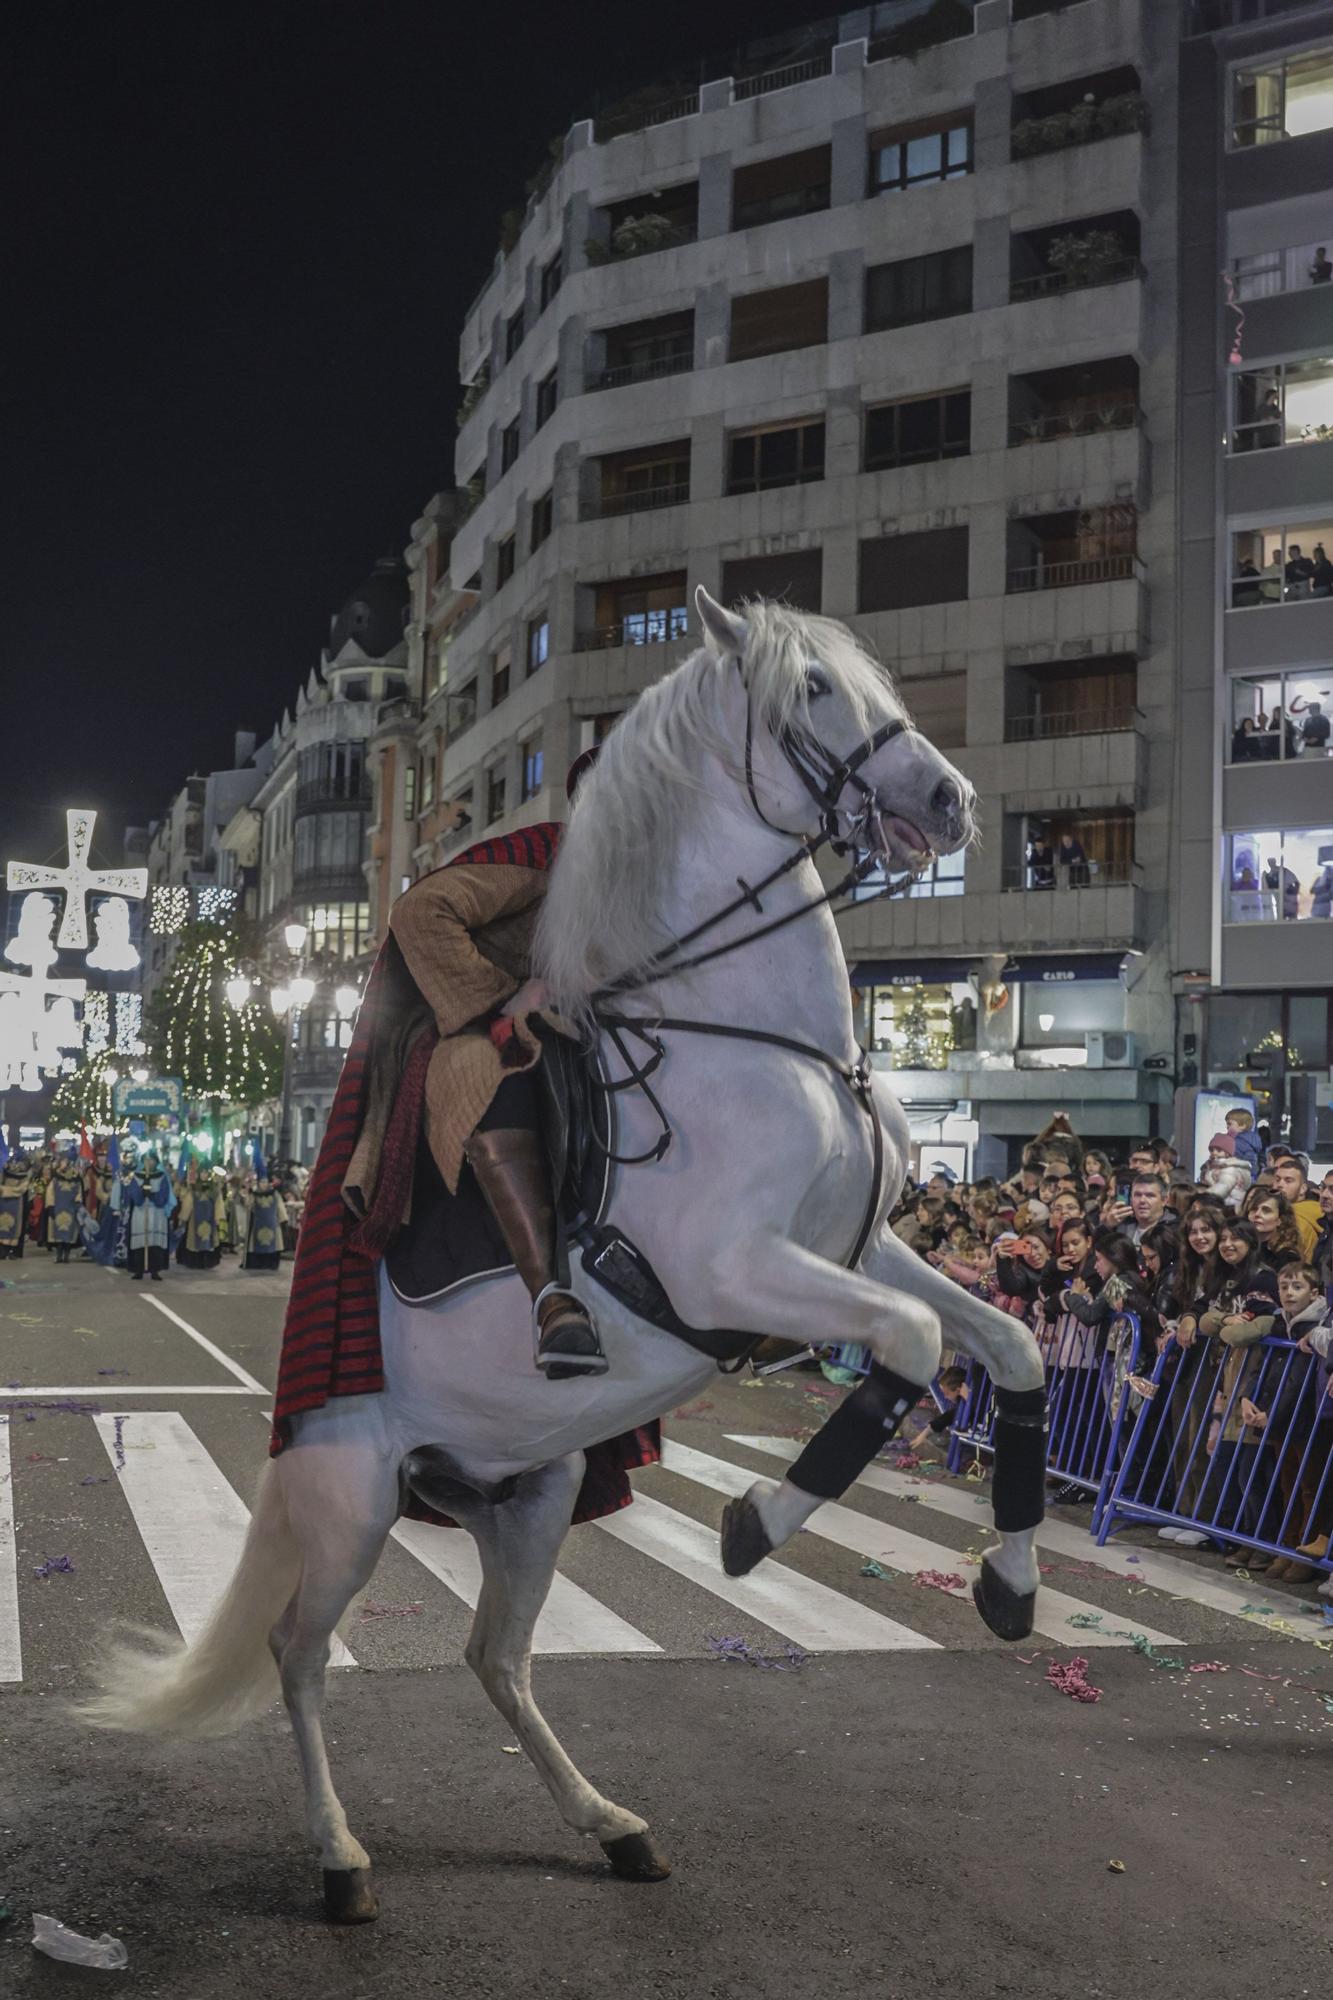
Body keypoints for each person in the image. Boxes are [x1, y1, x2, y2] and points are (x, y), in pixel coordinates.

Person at [119, 1150, 176, 1282]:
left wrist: (152, 1195)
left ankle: (155, 1270)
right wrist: (141, 1193)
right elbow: (133, 1194)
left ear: (156, 1161)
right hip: (140, 1212)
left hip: (157, 1214)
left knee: (155, 1243)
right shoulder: (137, 1176)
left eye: (151, 1160)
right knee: (140, 1242)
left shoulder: (161, 1177)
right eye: (146, 1160)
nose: (149, 1163)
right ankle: (138, 1269)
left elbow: (164, 1195)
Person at [1242, 1186, 1305, 1270]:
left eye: (1266, 1210)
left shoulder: (1288, 1257)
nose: (1257, 1214)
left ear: (1280, 1220)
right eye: (1254, 1209)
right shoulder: (1242, 1248)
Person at [1270, 1157, 1322, 1258]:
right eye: (1277, 1179)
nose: (1280, 1185)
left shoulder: (1298, 1220)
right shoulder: (1279, 1212)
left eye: (1288, 1181)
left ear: (1303, 1188)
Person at [176, 1163, 224, 1270]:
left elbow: (218, 1203)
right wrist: (183, 1217)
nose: (204, 1175)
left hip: (210, 1217)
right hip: (195, 1218)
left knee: (209, 1241)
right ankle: (195, 1262)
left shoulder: (214, 1189)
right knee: (194, 1240)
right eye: (202, 1172)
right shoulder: (193, 1188)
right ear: (198, 1174)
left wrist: (218, 1218)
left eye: (206, 1173)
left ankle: (207, 1262)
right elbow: (188, 1202)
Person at [239, 1169, 288, 1273]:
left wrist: (283, 1219)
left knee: (273, 1244)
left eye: (265, 1182)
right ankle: (258, 1263)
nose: (264, 1184)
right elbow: (248, 1205)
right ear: (258, 1183)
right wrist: (247, 1193)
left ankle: (271, 1264)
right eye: (262, 1182)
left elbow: (280, 1206)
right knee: (256, 1244)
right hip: (258, 1224)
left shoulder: (274, 1194)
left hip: (272, 1224)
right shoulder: (255, 1194)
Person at [42, 1153, 83, 1264]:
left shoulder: (76, 1179)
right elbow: (50, 1192)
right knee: (58, 1233)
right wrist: (51, 1206)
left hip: (71, 1208)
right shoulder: (56, 1178)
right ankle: (59, 1256)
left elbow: (79, 1193)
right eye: (63, 1162)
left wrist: (78, 1204)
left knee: (68, 1234)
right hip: (58, 1208)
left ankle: (66, 1256)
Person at [0, 1150, 32, 1259]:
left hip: (17, 1203)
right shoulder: (4, 1171)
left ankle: (12, 1250)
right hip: (4, 1203)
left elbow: (22, 1188)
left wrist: (6, 1191)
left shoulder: (24, 1174)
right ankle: (3, 1250)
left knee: (15, 1226)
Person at [1202, 1142, 1251, 1212]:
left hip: (1230, 1204)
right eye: (1211, 1150)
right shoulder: (1215, 1166)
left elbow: (1224, 1186)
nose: (1214, 1153)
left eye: (1219, 1150)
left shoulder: (1230, 1168)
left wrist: (1203, 1197)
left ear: (1227, 1153)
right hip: (1222, 1201)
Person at [1224, 1106, 1264, 1176]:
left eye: (1229, 1124)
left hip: (1238, 1174)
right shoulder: (1254, 1139)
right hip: (1251, 1175)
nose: (1227, 1127)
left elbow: (1231, 1159)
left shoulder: (1237, 1142)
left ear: (1242, 1125)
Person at [1253, 385, 1283, 450]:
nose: (1275, 398)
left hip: (1275, 439)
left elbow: (1280, 420)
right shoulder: (1261, 409)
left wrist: (1275, 420)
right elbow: (1256, 424)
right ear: (1271, 396)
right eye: (1274, 396)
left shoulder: (1275, 408)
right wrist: (1266, 420)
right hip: (1265, 439)